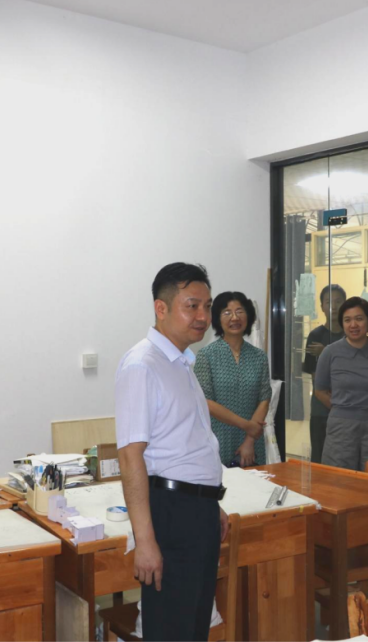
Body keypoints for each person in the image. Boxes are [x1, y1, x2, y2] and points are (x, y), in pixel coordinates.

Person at [115, 263, 231, 642]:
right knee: (171, 630)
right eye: (191, 306)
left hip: (197, 511)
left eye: (207, 306)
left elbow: (187, 445)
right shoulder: (142, 365)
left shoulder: (182, 363)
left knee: (194, 626)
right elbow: (131, 457)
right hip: (170, 514)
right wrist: (145, 541)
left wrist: (211, 503)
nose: (203, 317)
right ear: (161, 308)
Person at [315, 297, 368, 470]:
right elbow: (320, 390)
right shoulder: (330, 352)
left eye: (359, 319)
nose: (353, 325)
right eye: (347, 320)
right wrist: (342, 407)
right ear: (342, 324)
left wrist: (366, 406)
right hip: (340, 427)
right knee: (338, 479)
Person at [194, 291, 271, 467]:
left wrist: (250, 439)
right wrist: (247, 425)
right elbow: (206, 401)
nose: (234, 318)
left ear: (248, 316)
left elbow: (264, 398)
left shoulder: (259, 356)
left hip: (252, 440)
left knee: (253, 482)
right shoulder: (206, 355)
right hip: (218, 437)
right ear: (217, 318)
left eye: (240, 311)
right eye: (227, 312)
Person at [301, 284, 346, 463]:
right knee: (320, 460)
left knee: (345, 460)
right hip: (322, 409)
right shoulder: (315, 335)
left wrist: (326, 352)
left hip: (348, 409)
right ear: (322, 306)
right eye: (328, 302)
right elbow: (315, 376)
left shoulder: (351, 334)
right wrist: (332, 402)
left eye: (338, 301)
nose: (333, 306)